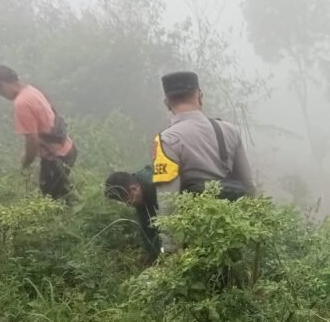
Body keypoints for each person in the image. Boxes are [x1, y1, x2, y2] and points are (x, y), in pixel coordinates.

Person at [152, 70, 257, 253]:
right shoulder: (230, 130)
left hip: (195, 238)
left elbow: (168, 201)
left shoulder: (166, 140)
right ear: (200, 96)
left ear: (167, 103)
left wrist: (170, 248)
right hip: (234, 232)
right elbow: (249, 186)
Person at [0, 64, 77, 203]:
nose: (0, 94)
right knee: (65, 197)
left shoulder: (21, 103)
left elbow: (32, 141)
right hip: (68, 149)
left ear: (2, 84)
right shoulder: (31, 90)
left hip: (56, 158)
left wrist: (25, 163)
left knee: (53, 204)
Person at [104, 167, 161, 262]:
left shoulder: (154, 185)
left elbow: (173, 213)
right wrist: (157, 256)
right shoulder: (139, 193)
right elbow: (147, 228)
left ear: (133, 189)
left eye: (128, 201)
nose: (128, 205)